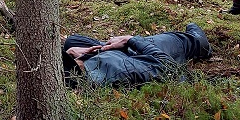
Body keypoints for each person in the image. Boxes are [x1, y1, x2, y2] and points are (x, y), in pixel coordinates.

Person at [61, 24, 211, 87]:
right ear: (77, 66)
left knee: (72, 42)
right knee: (173, 42)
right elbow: (166, 66)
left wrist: (72, 53)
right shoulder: (119, 71)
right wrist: (131, 40)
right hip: (136, 58)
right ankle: (197, 44)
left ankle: (114, 45)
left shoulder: (83, 69)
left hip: (117, 57)